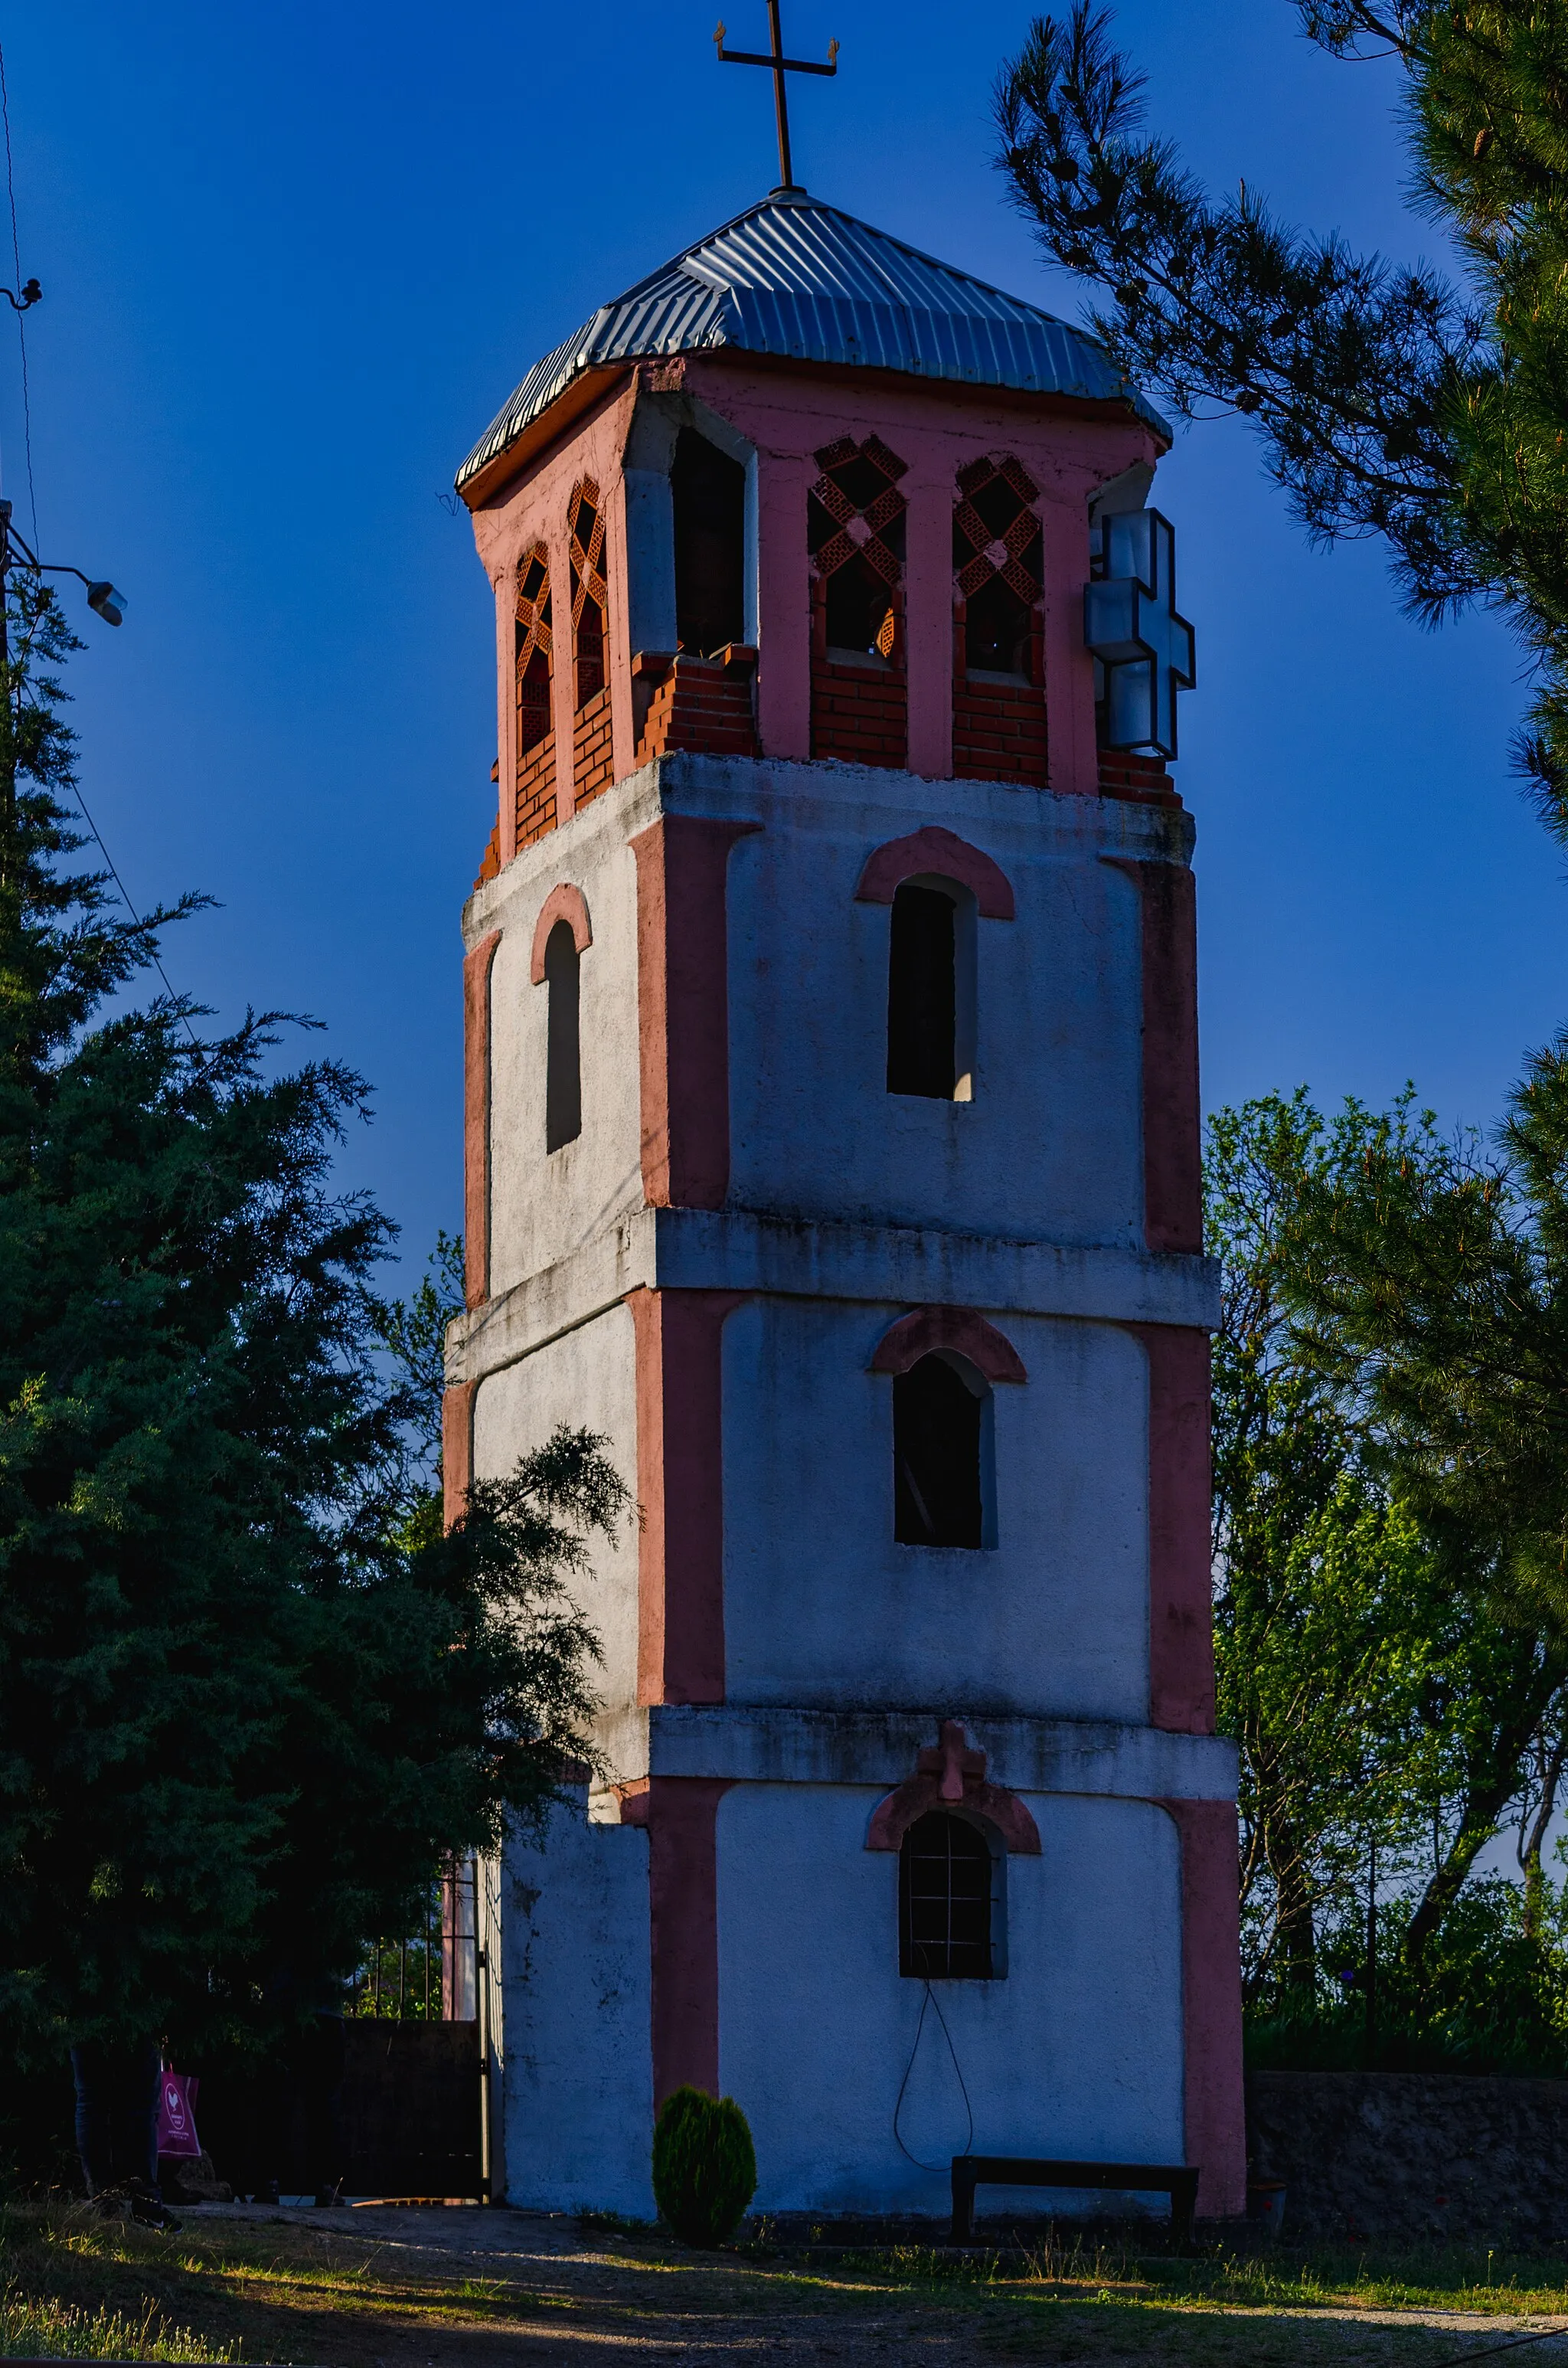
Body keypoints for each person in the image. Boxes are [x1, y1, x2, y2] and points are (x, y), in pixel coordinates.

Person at [69, 2037, 172, 2218]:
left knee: (91, 2099)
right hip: (137, 2017)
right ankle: (147, 2204)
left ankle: (104, 2202)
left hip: (83, 2017)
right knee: (142, 2101)